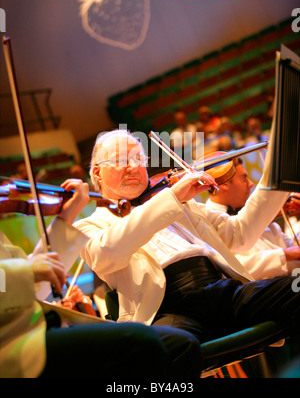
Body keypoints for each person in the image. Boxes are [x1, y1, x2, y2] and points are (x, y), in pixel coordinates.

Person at [74, 129, 300, 350]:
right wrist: (172, 197)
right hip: (169, 311)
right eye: (121, 160)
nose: (133, 167)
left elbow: (240, 233)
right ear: (97, 173)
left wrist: (281, 166)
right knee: (160, 352)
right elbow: (107, 252)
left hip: (222, 292)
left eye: (138, 158)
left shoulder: (182, 205)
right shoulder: (90, 226)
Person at [0, 178, 202, 378]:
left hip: (34, 328)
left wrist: (65, 218)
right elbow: (20, 277)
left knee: (181, 344)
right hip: (13, 346)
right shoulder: (94, 223)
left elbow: (33, 287)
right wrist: (25, 269)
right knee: (143, 344)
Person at [206, 158, 300, 279]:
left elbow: (289, 246)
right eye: (244, 178)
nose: (251, 184)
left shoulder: (250, 211)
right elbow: (234, 268)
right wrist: (285, 255)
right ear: (224, 184)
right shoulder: (209, 221)